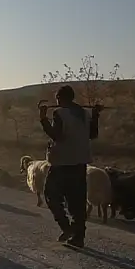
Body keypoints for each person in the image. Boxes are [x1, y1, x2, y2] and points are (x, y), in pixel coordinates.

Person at [39, 85, 101, 247]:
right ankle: (78, 237)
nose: (56, 102)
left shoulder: (59, 113)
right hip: (80, 163)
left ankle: (67, 227)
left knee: (51, 196)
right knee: (77, 202)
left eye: (57, 99)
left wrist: (43, 118)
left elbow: (57, 136)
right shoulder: (85, 114)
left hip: (61, 163)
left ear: (61, 98)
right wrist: (96, 115)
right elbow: (93, 135)